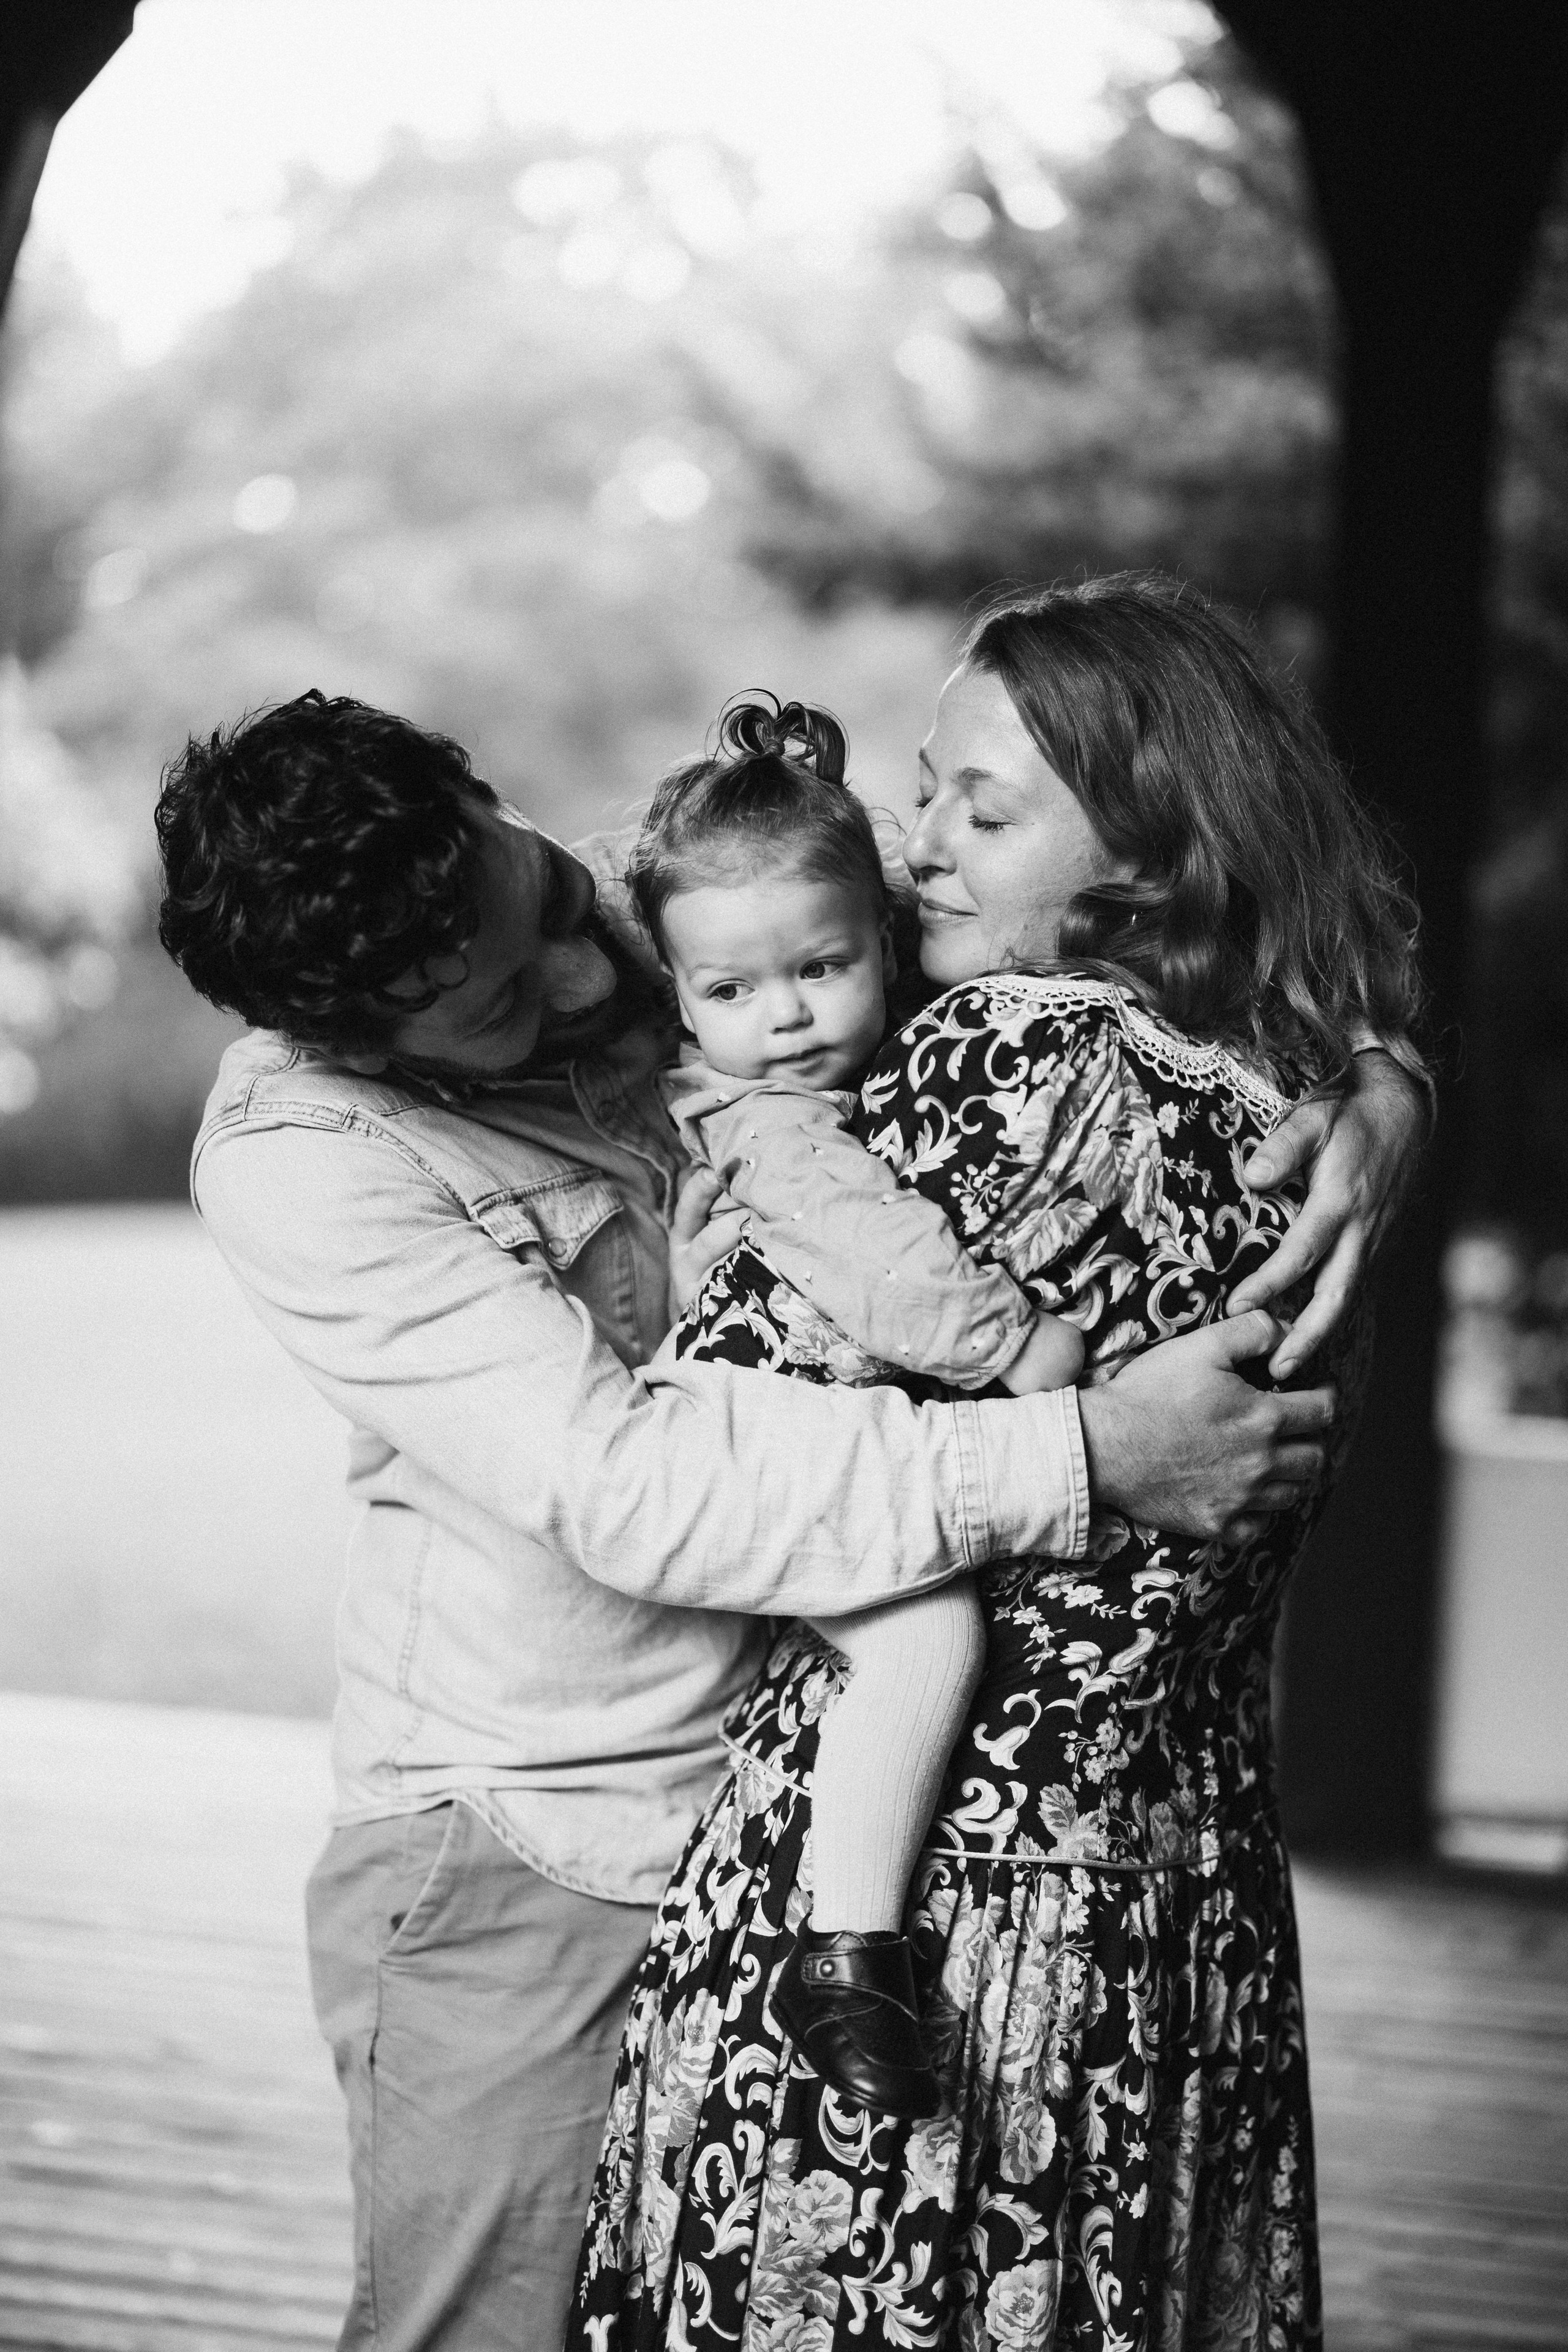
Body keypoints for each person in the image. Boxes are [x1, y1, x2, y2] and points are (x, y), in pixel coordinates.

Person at [152, 672, 1421, 2351]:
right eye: (504, 1000)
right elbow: (639, 1489)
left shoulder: (664, 888)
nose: (589, 968)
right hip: (537, 1846)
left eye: (541, 889)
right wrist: (1089, 1449)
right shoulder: (304, 1155)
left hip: (754, 1826)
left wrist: (1379, 1074)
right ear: (370, 1046)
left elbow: (1111, 876)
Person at [570, 573, 1429, 2352]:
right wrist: (1388, 1063)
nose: (923, 846)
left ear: (1146, 842)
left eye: (989, 805)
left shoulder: (1003, 1063)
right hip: (1176, 1924)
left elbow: (708, 1451)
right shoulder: (1295, 1110)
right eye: (926, 786)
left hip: (916, 1911)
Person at [630, 693, 1084, 2121]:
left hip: (790, 1447)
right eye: (728, 994)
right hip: (758, 1457)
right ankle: (847, 1946)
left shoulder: (884, 1042)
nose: (781, 1020)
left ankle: (844, 1940)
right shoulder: (766, 1123)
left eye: (820, 969)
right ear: (676, 991)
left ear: (882, 941)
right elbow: (889, 1274)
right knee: (927, 1631)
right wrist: (1016, 1345)